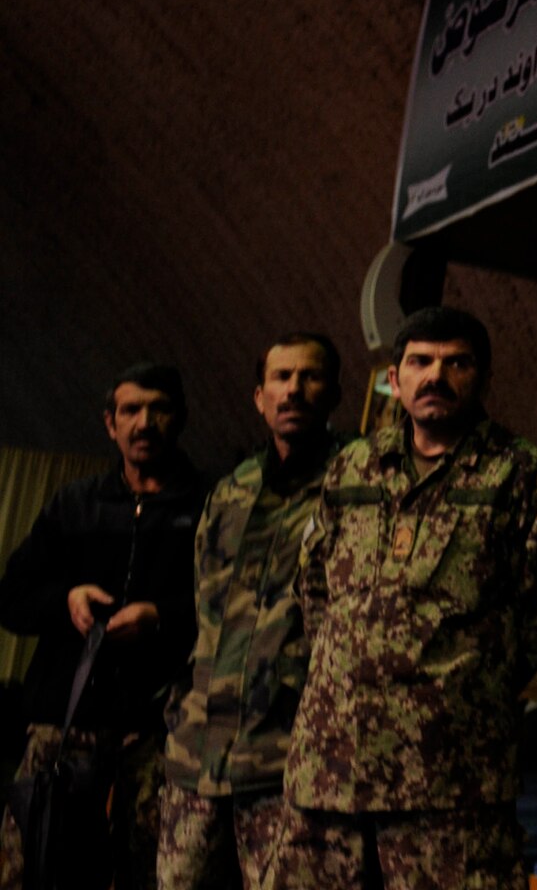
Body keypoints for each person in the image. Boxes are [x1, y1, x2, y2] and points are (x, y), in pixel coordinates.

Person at [271, 306, 537, 889]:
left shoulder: (518, 473)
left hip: (449, 772)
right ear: (396, 377)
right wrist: (346, 660)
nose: (435, 376)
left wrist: (479, 677)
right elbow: (312, 582)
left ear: (483, 378)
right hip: (333, 763)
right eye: (420, 362)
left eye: (455, 363)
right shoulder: (355, 467)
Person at [0, 363, 208, 890]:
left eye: (158, 409)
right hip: (63, 731)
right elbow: (12, 599)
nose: (144, 423)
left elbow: (232, 608)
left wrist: (162, 617)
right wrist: (66, 599)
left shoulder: (211, 504)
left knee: (153, 877)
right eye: (131, 410)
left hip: (162, 733)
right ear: (110, 423)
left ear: (181, 419)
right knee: (33, 872)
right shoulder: (74, 503)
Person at [156, 333, 343, 889]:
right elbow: (203, 605)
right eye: (281, 378)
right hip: (197, 755)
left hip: (290, 760)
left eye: (309, 377)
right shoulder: (232, 490)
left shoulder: (353, 485)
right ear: (259, 398)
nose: (294, 390)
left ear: (334, 393)